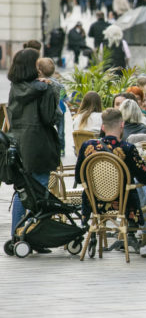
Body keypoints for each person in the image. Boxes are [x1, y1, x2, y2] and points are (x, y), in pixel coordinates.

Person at [74, 109, 146, 236]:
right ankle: (145, 237)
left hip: (95, 202)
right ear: (122, 124)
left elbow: (79, 178)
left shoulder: (87, 146)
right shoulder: (128, 149)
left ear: (103, 126)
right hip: (123, 203)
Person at [7, 49, 60, 244]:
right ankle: (33, 236)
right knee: (38, 192)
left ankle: (17, 235)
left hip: (18, 144)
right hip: (39, 146)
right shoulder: (43, 89)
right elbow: (49, 118)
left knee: (22, 191)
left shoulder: (15, 87)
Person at [36, 58, 66, 155]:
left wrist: (49, 81)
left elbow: (59, 87)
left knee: (59, 132)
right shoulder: (44, 81)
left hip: (55, 112)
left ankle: (60, 148)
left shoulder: (51, 82)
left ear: (39, 70)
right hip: (53, 112)